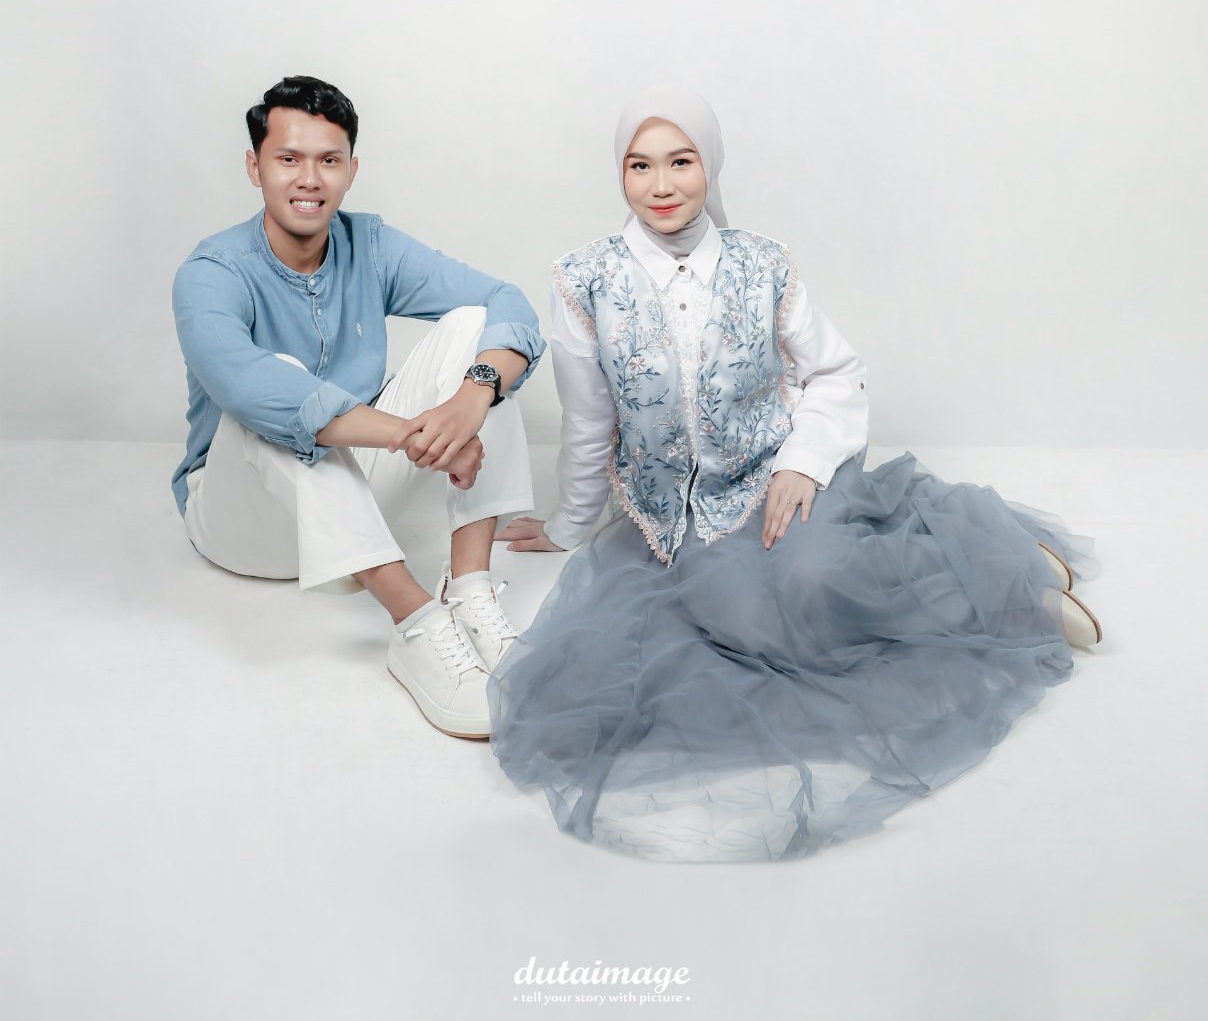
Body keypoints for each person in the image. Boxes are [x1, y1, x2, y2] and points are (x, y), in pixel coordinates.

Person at [491, 85, 1101, 862]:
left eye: (681, 162)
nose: (662, 185)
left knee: (820, 581)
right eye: (640, 166)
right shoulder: (585, 281)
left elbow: (836, 373)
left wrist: (803, 465)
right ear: (621, 173)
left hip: (779, 473)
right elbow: (589, 421)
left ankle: (1013, 584)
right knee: (746, 624)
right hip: (681, 518)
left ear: (709, 165)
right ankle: (989, 575)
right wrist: (568, 524)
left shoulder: (762, 264)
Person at [171, 75, 545, 740]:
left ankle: (469, 591)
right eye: (288, 158)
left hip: (351, 500)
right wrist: (414, 435)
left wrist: (471, 398)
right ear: (255, 166)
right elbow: (255, 390)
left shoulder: (367, 244)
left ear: (351, 170)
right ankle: (417, 625)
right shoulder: (212, 271)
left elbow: (505, 302)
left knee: (474, 329)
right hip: (243, 522)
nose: (309, 179)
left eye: (328, 160)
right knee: (278, 388)